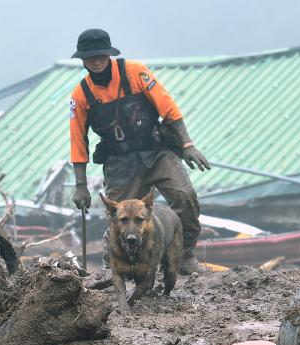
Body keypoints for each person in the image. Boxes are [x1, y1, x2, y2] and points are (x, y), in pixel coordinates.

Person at [68, 28, 210, 274]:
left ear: (109, 54)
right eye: (90, 57)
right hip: (119, 162)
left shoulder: (136, 72)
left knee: (185, 196)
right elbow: (78, 140)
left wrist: (187, 144)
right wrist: (80, 185)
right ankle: (118, 267)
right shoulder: (80, 95)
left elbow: (168, 107)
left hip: (156, 151)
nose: (97, 61)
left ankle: (184, 256)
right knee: (120, 216)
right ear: (82, 60)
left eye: (101, 55)